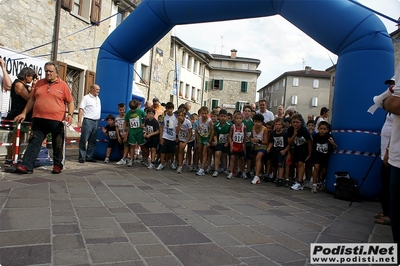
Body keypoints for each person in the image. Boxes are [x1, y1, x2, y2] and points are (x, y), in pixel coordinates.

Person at [13, 61, 74, 174]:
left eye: (51, 71)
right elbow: (32, 99)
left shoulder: (63, 85)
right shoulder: (39, 83)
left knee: (57, 144)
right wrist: (24, 113)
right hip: (39, 118)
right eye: (46, 71)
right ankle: (26, 166)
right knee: (34, 142)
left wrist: (70, 115)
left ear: (56, 73)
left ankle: (57, 165)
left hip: (56, 120)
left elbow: (70, 102)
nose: (48, 73)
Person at [380, 62, 400, 262]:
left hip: (396, 157)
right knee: (386, 186)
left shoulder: (391, 100)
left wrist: (386, 101)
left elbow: (396, 104)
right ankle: (386, 212)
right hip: (393, 153)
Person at [6, 67, 37, 161]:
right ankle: (11, 157)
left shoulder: (24, 85)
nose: (32, 79)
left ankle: (15, 156)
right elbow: (29, 98)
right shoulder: (18, 84)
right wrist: (34, 87)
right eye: (31, 77)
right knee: (17, 136)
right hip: (19, 114)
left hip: (24, 115)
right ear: (26, 76)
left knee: (21, 136)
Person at [311, 121, 337, 193]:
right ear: (318, 129)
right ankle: (314, 185)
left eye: (324, 129)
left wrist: (333, 143)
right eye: (321, 129)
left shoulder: (329, 137)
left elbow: (335, 147)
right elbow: (312, 147)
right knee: (316, 168)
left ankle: (321, 182)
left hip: (325, 156)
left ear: (327, 130)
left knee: (324, 171)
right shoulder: (315, 137)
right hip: (317, 155)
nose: (322, 130)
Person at [288, 114, 312, 191]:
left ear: (301, 122)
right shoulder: (290, 129)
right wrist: (294, 135)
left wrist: (309, 154)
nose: (295, 124)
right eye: (294, 122)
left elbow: (309, 142)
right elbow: (289, 141)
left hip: (304, 148)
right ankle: (298, 179)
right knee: (296, 164)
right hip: (296, 148)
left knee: (301, 163)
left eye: (297, 122)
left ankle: (300, 181)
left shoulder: (304, 130)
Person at [78, 84, 101, 163]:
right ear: (92, 89)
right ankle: (82, 157)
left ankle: (89, 156)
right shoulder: (86, 98)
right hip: (88, 120)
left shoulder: (98, 99)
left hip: (96, 121)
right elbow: (81, 109)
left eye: (99, 90)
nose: (98, 91)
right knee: (84, 139)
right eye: (97, 89)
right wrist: (79, 121)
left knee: (93, 141)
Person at [124, 99, 146, 167]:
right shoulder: (128, 113)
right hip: (132, 131)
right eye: (131, 109)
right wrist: (124, 131)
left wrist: (144, 124)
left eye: (134, 109)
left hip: (139, 131)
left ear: (137, 107)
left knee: (142, 145)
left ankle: (144, 159)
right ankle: (131, 159)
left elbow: (145, 117)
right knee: (132, 146)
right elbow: (125, 122)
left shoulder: (140, 111)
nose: (133, 110)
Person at [267, 117, 289, 187]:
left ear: (282, 125)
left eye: (279, 124)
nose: (278, 126)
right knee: (274, 164)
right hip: (275, 150)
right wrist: (269, 148)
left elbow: (289, 144)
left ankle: (280, 178)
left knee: (280, 164)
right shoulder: (273, 133)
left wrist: (285, 150)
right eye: (276, 124)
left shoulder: (285, 133)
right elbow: (271, 142)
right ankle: (274, 176)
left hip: (282, 151)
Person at [156, 102, 178, 170]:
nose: (169, 110)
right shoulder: (163, 116)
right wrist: (160, 137)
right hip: (165, 136)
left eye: (171, 109)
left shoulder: (176, 117)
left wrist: (177, 137)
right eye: (168, 109)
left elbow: (177, 127)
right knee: (163, 151)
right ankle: (162, 163)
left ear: (173, 109)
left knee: (171, 152)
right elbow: (161, 127)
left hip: (173, 137)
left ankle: (171, 163)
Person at [212, 109, 231, 178]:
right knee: (217, 154)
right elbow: (215, 134)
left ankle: (225, 168)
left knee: (224, 155)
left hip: (226, 142)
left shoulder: (230, 125)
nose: (223, 118)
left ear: (226, 117)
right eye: (221, 116)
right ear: (219, 117)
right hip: (219, 142)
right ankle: (216, 169)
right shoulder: (216, 125)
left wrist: (228, 142)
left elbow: (230, 134)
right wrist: (216, 141)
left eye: (224, 116)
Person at [250, 113, 269, 184]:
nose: (257, 123)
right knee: (256, 160)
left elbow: (266, 142)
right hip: (256, 147)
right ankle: (259, 173)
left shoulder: (264, 129)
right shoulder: (253, 128)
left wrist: (259, 141)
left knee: (258, 158)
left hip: (263, 147)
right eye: (255, 121)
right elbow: (251, 137)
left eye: (259, 122)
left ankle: (256, 176)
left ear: (262, 122)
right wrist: (252, 140)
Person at [228, 112, 246, 179]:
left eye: (240, 118)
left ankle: (242, 171)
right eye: (237, 118)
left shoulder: (244, 127)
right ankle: (231, 172)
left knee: (242, 158)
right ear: (234, 119)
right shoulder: (233, 127)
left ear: (242, 119)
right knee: (232, 157)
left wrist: (244, 145)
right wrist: (231, 145)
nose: (238, 120)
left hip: (241, 145)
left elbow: (245, 136)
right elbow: (230, 136)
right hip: (234, 144)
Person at [196, 106, 214, 176]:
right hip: (201, 136)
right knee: (199, 151)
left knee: (204, 152)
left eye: (205, 113)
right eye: (202, 113)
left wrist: (209, 141)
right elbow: (198, 127)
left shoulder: (209, 121)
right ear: (200, 113)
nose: (204, 115)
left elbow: (212, 131)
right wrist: (197, 130)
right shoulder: (199, 119)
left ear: (207, 114)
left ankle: (202, 169)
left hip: (207, 138)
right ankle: (202, 164)